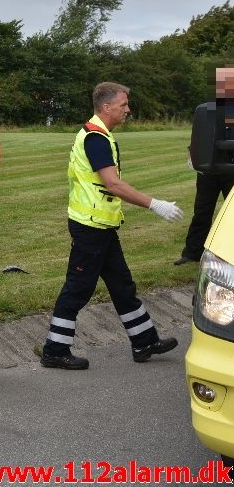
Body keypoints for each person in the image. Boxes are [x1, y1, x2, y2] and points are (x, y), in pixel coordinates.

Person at [41, 82, 183, 370]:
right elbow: (113, 184)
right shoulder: (96, 139)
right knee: (78, 288)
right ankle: (54, 350)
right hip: (91, 226)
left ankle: (144, 340)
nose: (128, 109)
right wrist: (154, 204)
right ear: (106, 107)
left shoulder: (98, 134)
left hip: (100, 225)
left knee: (121, 285)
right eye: (123, 105)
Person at [175, 67, 234, 266]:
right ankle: (192, 252)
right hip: (208, 170)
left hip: (232, 170)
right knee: (202, 211)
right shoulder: (206, 110)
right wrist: (194, 156)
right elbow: (200, 135)